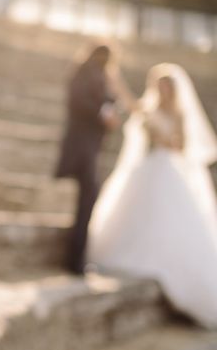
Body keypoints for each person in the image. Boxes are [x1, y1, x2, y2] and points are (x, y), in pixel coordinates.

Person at [88, 64, 217, 328]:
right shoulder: (148, 109)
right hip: (149, 167)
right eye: (159, 85)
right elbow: (132, 105)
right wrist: (116, 82)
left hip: (168, 166)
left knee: (170, 219)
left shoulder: (179, 114)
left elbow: (182, 146)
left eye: (166, 85)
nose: (162, 89)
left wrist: (165, 137)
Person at [55, 44, 121, 275]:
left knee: (89, 199)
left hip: (89, 146)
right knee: (88, 197)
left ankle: (76, 257)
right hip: (81, 147)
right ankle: (75, 259)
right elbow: (79, 101)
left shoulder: (99, 75)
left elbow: (106, 102)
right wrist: (103, 113)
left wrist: (110, 103)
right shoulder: (86, 72)